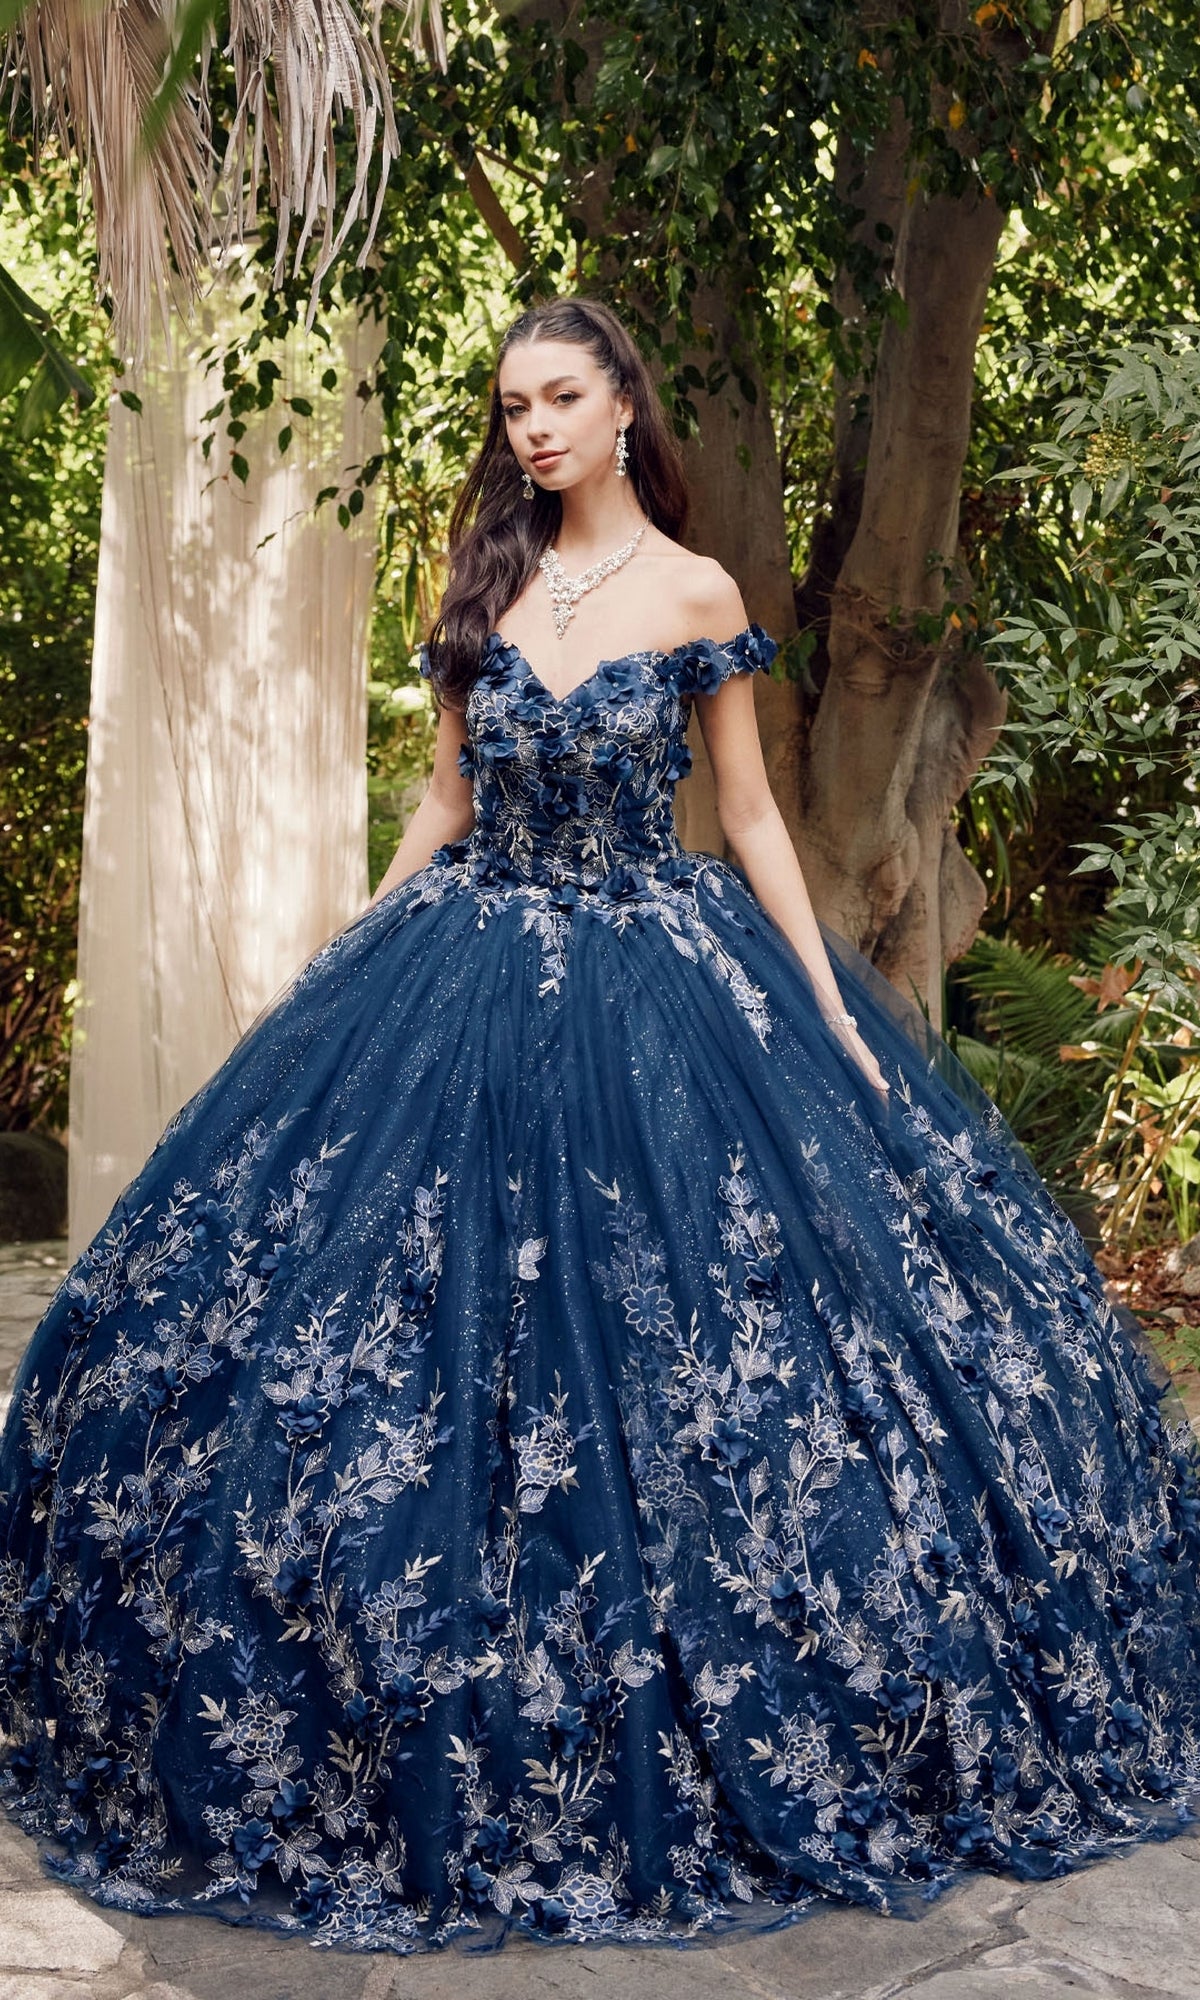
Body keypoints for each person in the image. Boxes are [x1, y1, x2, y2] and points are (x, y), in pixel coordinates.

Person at [2, 295, 1199, 1960]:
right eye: (511, 406)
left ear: (627, 403)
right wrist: (347, 952)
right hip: (463, 971)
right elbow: (444, 795)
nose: (533, 429)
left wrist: (833, 1002)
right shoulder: (486, 584)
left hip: (655, 985)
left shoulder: (694, 593)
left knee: (686, 1329)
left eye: (562, 396)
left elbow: (757, 813)